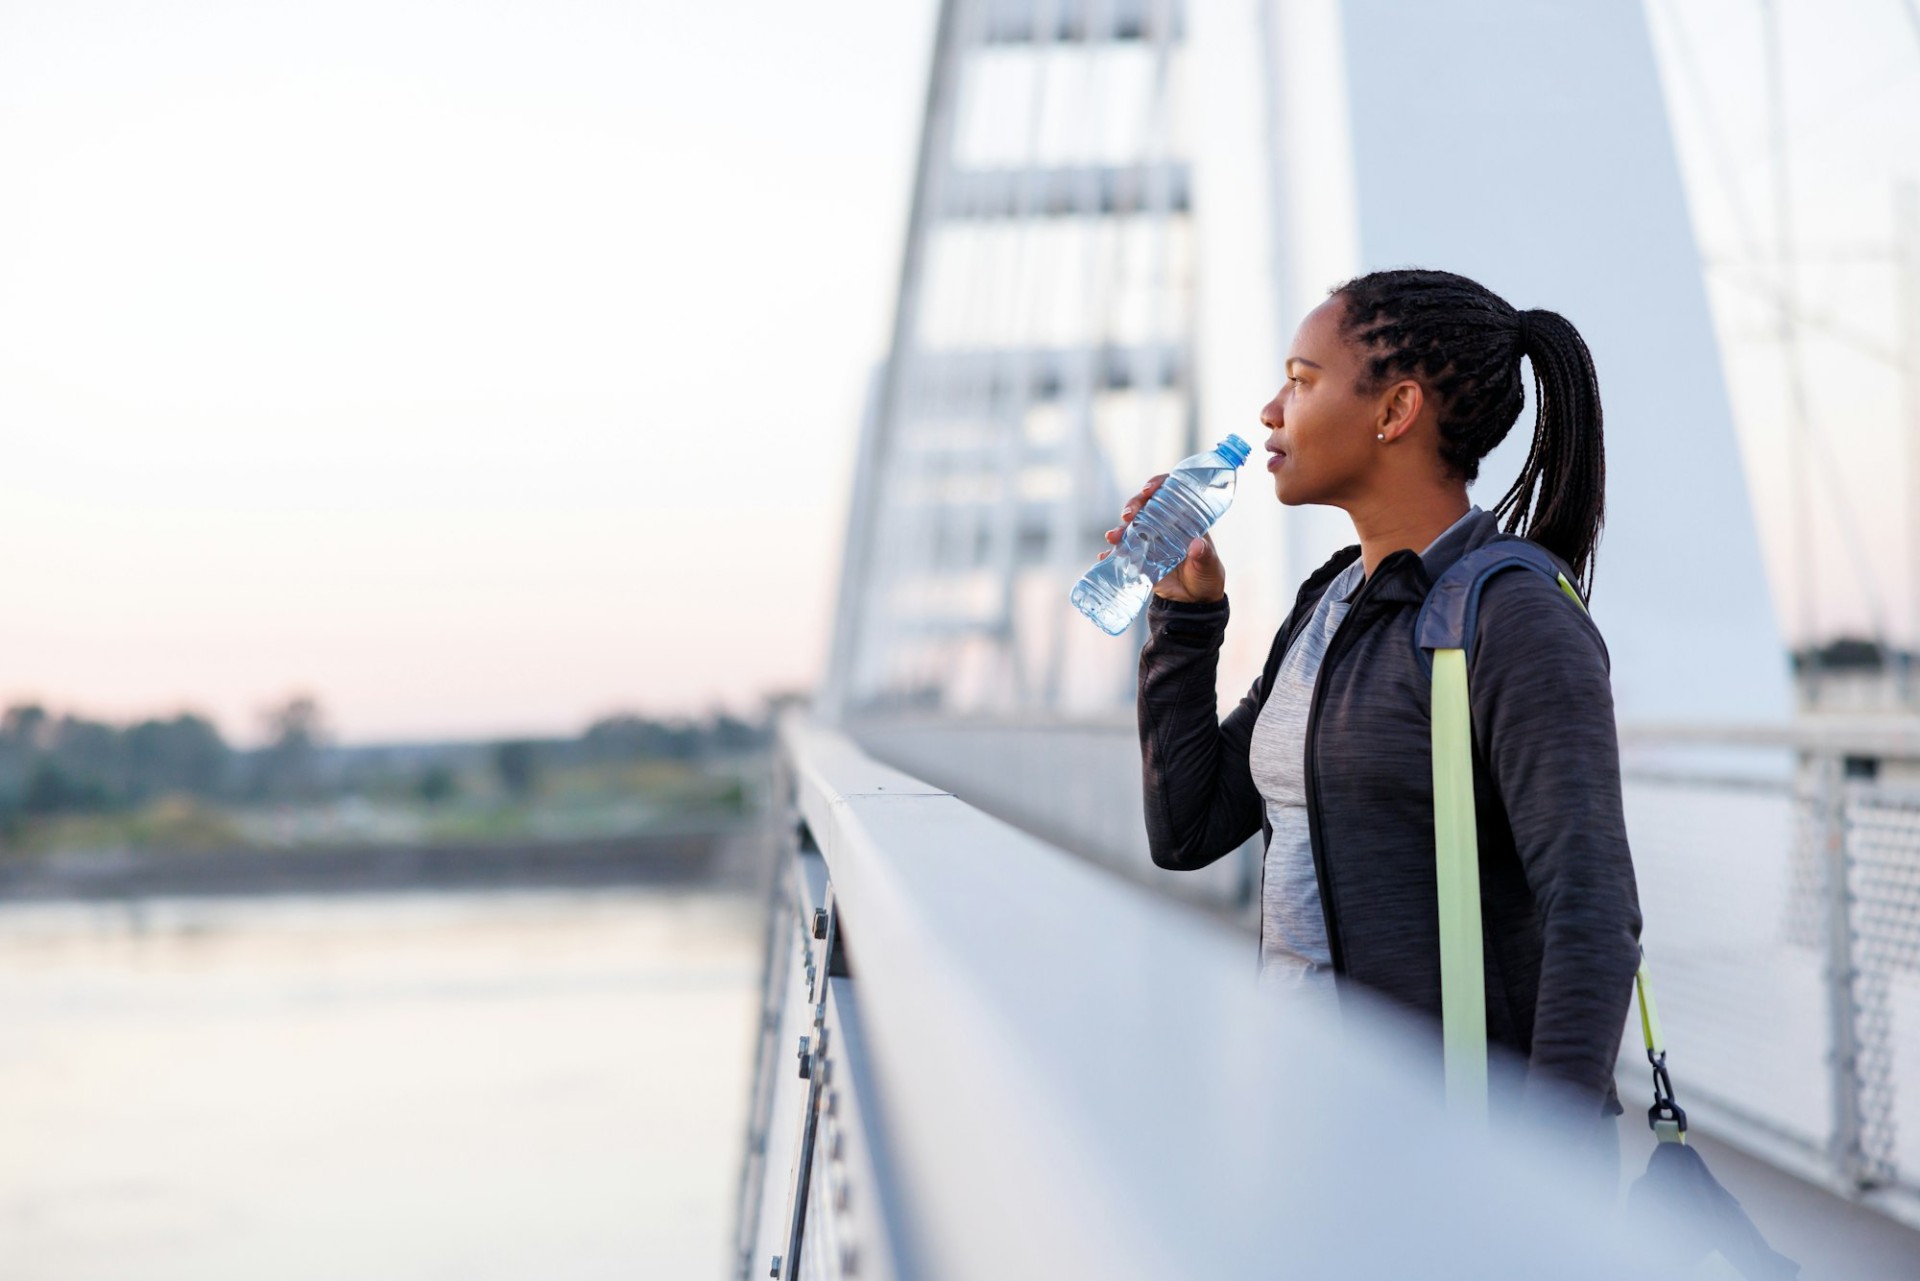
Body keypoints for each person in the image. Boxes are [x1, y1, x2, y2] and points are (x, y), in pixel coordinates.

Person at [1106, 268, 1642, 1146]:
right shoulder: (1331, 604)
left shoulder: (1514, 617)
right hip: (1304, 1123)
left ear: (1395, 411)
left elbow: (1591, 907)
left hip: (1451, 1156)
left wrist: (1546, 1183)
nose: (1271, 410)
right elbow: (1188, 827)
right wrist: (1187, 614)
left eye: (1302, 379)